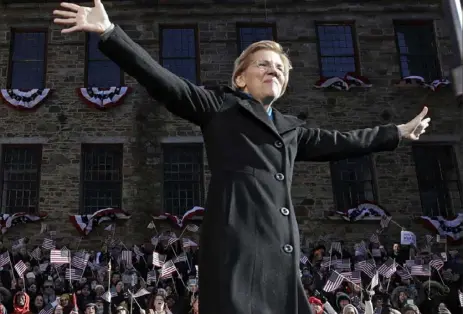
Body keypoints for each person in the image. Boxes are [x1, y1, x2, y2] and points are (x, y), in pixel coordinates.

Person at [53, 1, 431, 313]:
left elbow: (345, 141)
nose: (274, 70)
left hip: (282, 251)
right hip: (237, 243)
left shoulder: (290, 128)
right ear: (240, 79)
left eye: (280, 69)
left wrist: (396, 132)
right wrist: (109, 33)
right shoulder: (219, 107)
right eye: (264, 64)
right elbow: (162, 80)